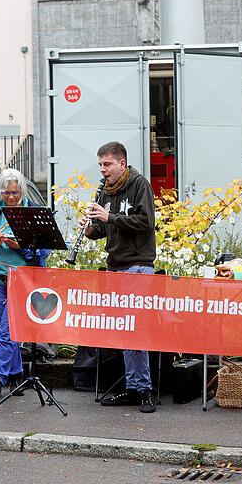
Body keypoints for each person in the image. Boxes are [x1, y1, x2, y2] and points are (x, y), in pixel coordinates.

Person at [82, 141, 158, 413]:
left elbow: (145, 222)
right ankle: (132, 387)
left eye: (107, 165)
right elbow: (105, 230)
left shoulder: (139, 185)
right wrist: (91, 229)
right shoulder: (107, 190)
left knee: (137, 330)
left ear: (121, 164)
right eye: (100, 165)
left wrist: (110, 216)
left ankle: (146, 389)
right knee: (124, 331)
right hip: (115, 266)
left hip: (138, 265)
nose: (102, 170)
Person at [0, 167, 50, 400]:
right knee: (2, 331)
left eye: (15, 193)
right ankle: (16, 376)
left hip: (22, 281)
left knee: (7, 331)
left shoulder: (33, 212)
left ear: (22, 191)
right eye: (6, 193)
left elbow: (42, 252)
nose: (11, 198)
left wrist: (20, 246)